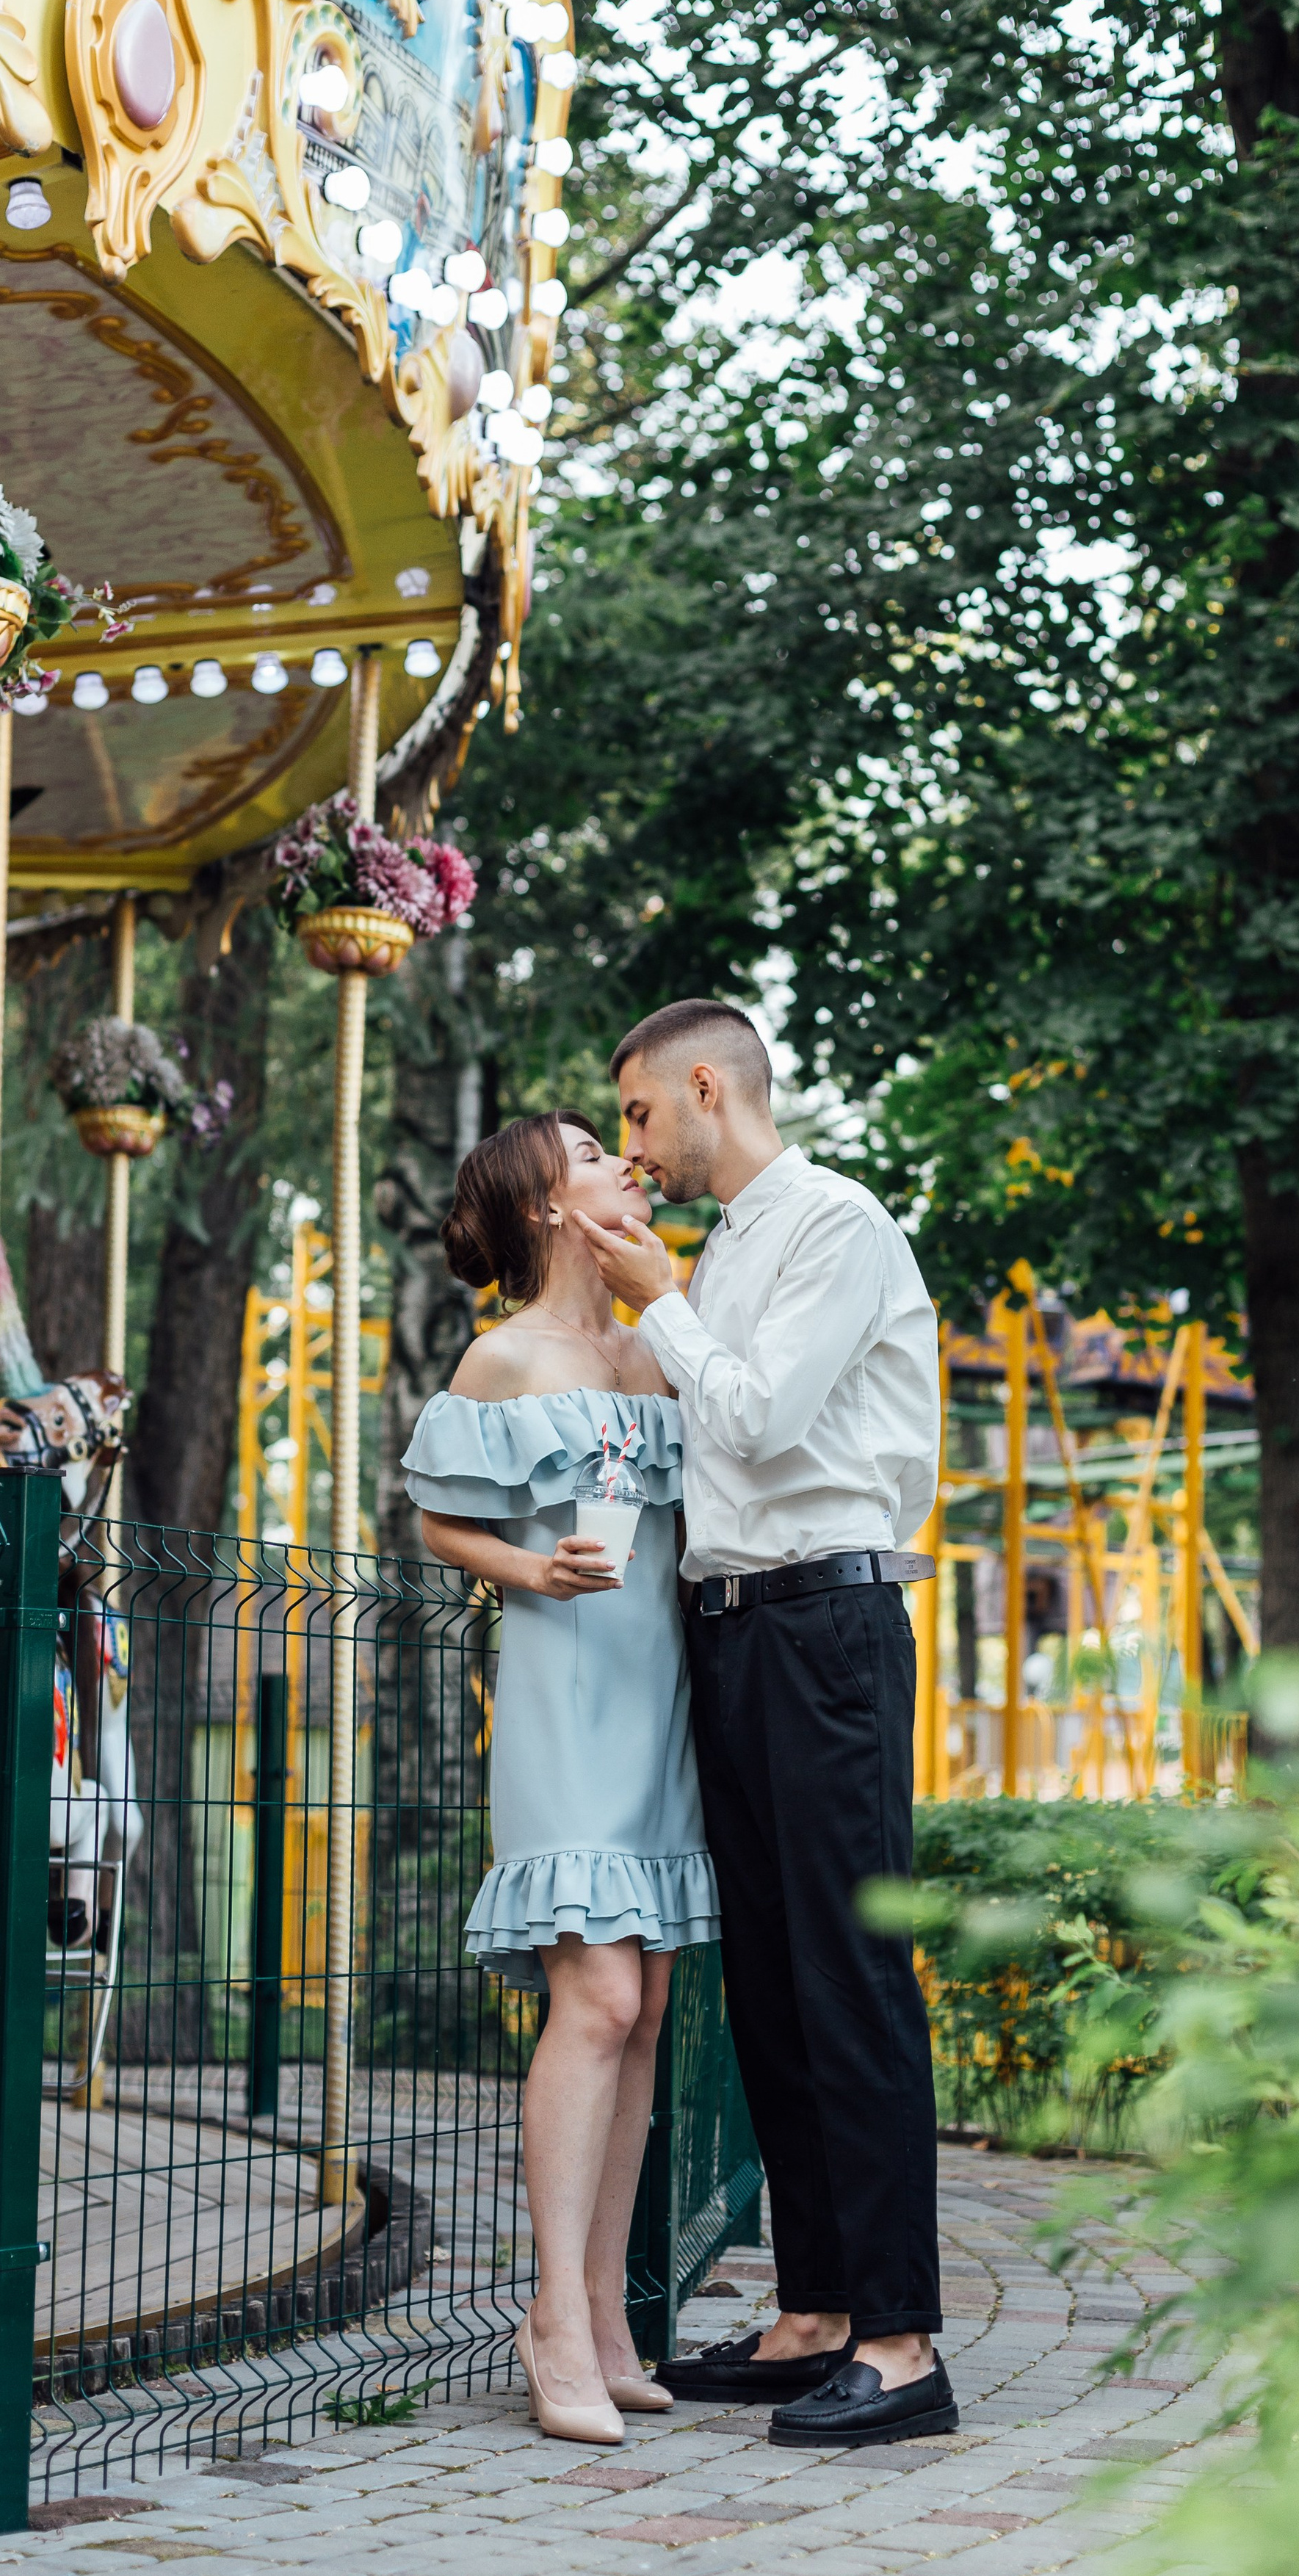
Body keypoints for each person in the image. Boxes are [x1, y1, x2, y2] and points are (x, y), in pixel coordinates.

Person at [572, 999, 954, 2453]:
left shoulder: (831, 1224)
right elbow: (678, 1429)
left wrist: (654, 1295)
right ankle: (813, 2314)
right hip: (731, 1631)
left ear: (704, 1087)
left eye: (639, 1116)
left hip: (825, 1621)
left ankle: (904, 2345)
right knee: (772, 1988)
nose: (633, 1145)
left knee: (848, 1968)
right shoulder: (726, 1251)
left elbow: (765, 1420)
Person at [401, 1110, 720, 2449]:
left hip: (666, 1697)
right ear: (542, 1204)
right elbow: (436, 1517)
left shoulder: (656, 1347)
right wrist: (533, 1571)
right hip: (563, 1690)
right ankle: (549, 2319)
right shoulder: (503, 1356)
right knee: (591, 1995)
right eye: (591, 1152)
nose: (618, 1164)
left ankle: (605, 2310)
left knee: (644, 2004)